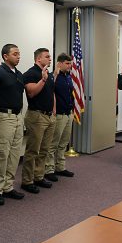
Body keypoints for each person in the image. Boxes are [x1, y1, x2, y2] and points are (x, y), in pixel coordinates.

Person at [0, 43, 25, 206]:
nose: (18, 56)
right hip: (3, 117)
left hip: (18, 117)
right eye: (15, 54)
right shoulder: (0, 71)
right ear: (6, 56)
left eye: (19, 53)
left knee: (14, 154)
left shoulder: (18, 74)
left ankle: (8, 187)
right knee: (2, 154)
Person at [20, 48, 56, 194]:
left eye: (50, 56)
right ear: (38, 59)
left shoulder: (48, 74)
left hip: (49, 116)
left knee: (44, 150)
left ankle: (39, 177)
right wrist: (42, 80)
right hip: (36, 116)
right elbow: (31, 92)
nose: (50, 59)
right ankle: (27, 181)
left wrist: (54, 110)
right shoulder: (30, 74)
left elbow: (52, 93)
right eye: (47, 57)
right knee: (33, 150)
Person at [45, 53, 76, 182]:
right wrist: (55, 75)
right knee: (53, 144)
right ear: (59, 63)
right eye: (67, 64)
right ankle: (49, 170)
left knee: (63, 143)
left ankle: (60, 167)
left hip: (68, 114)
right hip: (58, 115)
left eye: (70, 63)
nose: (69, 66)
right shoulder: (53, 77)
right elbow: (49, 90)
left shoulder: (68, 76)